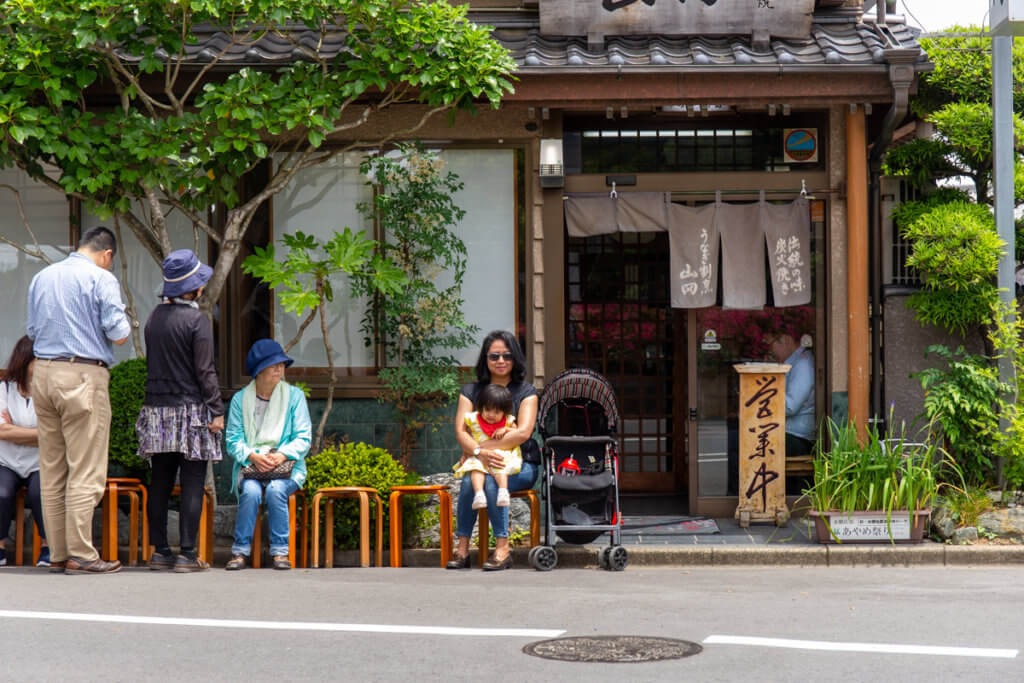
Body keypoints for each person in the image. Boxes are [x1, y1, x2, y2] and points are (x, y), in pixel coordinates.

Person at [27, 226, 131, 574]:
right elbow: (118, 335)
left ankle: (57, 553)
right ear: (107, 254)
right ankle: (82, 554)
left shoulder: (43, 276)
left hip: (42, 373)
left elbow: (31, 331)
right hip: (84, 375)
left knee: (52, 470)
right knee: (86, 469)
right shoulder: (102, 279)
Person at [135, 250, 224, 573]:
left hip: (156, 409)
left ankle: (159, 551)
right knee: (192, 481)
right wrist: (216, 409)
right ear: (193, 288)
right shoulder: (197, 320)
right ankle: (187, 553)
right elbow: (205, 371)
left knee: (159, 481)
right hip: (191, 411)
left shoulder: (153, 319)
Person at [449, 330, 539, 571]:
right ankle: (463, 550)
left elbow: (522, 433)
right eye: (494, 356)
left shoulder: (526, 392)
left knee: (489, 483)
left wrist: (478, 450)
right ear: (485, 359)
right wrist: (479, 455)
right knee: (470, 482)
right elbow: (461, 432)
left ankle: (502, 549)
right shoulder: (470, 391)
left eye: (507, 356)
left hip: (522, 463)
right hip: (480, 462)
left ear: (515, 359)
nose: (501, 361)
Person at [224, 339, 310, 570]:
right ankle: (240, 552)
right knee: (251, 492)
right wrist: (253, 456)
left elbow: (304, 437)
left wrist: (282, 455)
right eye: (274, 366)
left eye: (282, 365)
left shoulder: (294, 396)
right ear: (259, 370)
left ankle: (280, 552)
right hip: (252, 466)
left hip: (286, 466)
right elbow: (232, 440)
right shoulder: (239, 400)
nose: (279, 370)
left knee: (275, 489)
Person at [0, 336, 50, 567]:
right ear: (25, 360)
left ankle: (49, 548)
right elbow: (1, 432)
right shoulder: (4, 389)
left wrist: (14, 431)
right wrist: (37, 434)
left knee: (41, 494)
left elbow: (55, 434)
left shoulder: (50, 391)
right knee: (2, 493)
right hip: (6, 460)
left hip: (42, 461)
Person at [454, 384, 522, 510]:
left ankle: (503, 491)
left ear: (504, 411)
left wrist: (506, 429)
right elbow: (467, 436)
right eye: (487, 410)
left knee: (500, 468)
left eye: (496, 412)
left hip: (500, 454)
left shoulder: (507, 421)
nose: (491, 415)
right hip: (479, 455)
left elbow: (518, 433)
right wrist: (465, 452)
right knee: (476, 469)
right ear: (481, 407)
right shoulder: (474, 420)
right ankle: (479, 494)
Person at [766, 330, 816, 457]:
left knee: (760, 447)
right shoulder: (795, 362)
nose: (770, 351)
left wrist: (763, 403)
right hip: (792, 432)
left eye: (771, 345)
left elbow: (790, 406)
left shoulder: (803, 364)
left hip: (799, 436)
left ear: (785, 340)